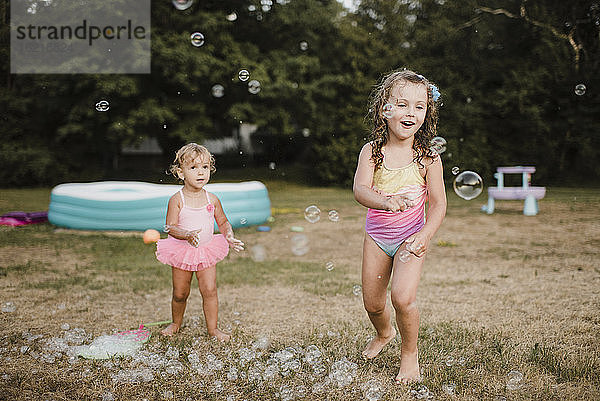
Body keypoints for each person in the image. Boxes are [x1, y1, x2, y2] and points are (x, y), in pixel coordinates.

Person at [353, 69, 447, 384]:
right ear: (385, 109)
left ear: (426, 113)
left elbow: (438, 204)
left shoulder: (428, 158)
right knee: (373, 302)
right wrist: (385, 202)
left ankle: (410, 356)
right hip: (378, 238)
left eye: (419, 106)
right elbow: (360, 190)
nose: (411, 113)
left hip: (411, 239)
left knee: (402, 298)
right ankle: (384, 332)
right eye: (403, 104)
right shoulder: (372, 152)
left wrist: (425, 235)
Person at [156, 143, 244, 341]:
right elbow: (170, 226)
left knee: (210, 290)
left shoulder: (211, 199)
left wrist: (228, 235)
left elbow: (222, 221)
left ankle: (213, 330)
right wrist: (185, 234)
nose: (200, 172)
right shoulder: (177, 199)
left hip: (205, 250)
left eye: (205, 167)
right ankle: (175, 323)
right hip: (182, 251)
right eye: (193, 168)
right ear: (181, 173)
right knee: (180, 292)